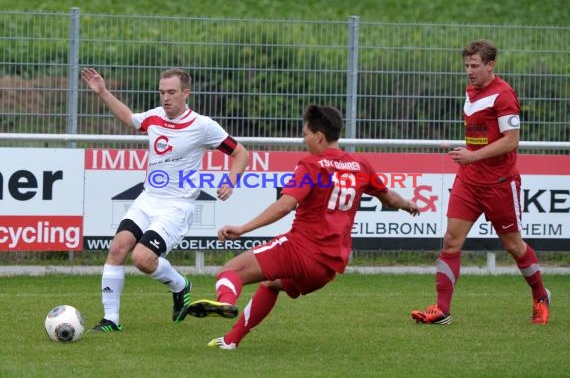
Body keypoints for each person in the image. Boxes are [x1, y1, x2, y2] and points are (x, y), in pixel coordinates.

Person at [185, 104, 420, 349]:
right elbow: (389, 198)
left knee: (230, 271)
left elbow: (285, 205)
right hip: (328, 267)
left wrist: (243, 229)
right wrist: (407, 205)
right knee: (271, 284)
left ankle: (225, 302)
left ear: (319, 136)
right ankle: (231, 340)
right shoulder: (360, 165)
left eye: (306, 133)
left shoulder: (311, 166)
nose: (303, 139)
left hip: (301, 250)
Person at [80, 67, 249, 332]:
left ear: (185, 93)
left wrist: (230, 180)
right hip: (148, 199)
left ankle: (181, 286)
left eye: (171, 92)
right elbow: (130, 119)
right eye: (162, 92)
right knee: (117, 248)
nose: (165, 98)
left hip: (176, 206)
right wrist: (103, 92)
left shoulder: (203, 126)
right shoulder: (155, 117)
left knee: (142, 259)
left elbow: (240, 153)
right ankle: (110, 320)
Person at [411, 39, 550, 325]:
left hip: (499, 182)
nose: (469, 71)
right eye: (466, 66)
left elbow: (511, 141)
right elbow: (482, 134)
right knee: (451, 241)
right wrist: (469, 156)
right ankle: (442, 310)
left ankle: (540, 295)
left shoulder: (504, 95)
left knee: (513, 246)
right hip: (469, 181)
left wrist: (473, 156)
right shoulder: (470, 91)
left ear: (490, 65)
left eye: (475, 66)